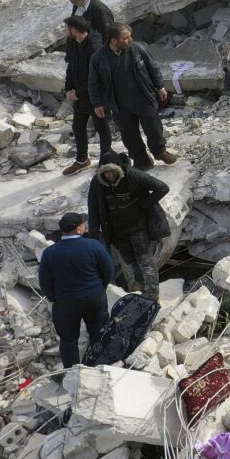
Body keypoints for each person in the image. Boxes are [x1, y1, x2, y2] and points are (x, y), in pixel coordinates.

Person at [88, 22, 175, 169]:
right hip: (119, 104)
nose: (130, 40)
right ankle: (142, 160)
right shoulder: (98, 58)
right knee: (129, 135)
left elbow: (153, 68)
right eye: (126, 38)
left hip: (143, 97)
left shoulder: (138, 49)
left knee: (154, 128)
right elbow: (93, 83)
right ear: (114, 41)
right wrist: (97, 104)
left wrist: (160, 86)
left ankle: (160, 151)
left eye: (130, 36)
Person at [38, 212, 114, 366]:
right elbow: (109, 270)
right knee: (98, 334)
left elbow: (44, 282)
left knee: (68, 340)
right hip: (94, 298)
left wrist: (56, 298)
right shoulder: (94, 245)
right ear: (79, 229)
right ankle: (98, 367)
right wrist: (100, 289)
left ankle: (72, 373)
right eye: (83, 224)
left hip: (65, 303)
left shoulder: (50, 253)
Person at [86, 159, 170, 297]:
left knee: (146, 263)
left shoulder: (132, 175)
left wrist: (145, 204)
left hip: (138, 229)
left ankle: (153, 297)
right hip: (117, 234)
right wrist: (94, 238)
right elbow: (93, 209)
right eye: (106, 172)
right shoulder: (98, 183)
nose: (110, 175)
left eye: (112, 171)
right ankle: (144, 292)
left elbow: (162, 188)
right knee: (133, 265)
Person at [61, 16, 110, 175]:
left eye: (67, 28)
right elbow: (70, 66)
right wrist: (68, 89)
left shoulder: (95, 47)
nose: (65, 31)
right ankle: (82, 160)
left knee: (101, 128)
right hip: (79, 98)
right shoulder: (73, 43)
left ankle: (105, 162)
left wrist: (78, 93)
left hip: (95, 97)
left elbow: (96, 76)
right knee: (78, 127)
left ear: (74, 30)